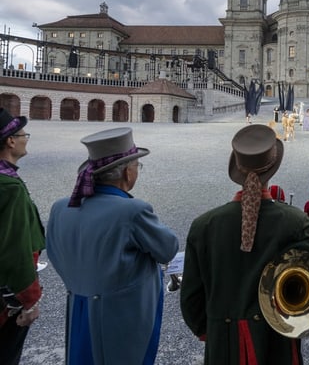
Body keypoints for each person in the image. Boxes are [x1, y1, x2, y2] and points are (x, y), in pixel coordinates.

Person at [180, 124, 309, 364]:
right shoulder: (296, 222)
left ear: (237, 168)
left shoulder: (204, 225)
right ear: (272, 168)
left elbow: (190, 300)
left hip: (224, 344)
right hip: (278, 341)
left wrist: (214, 329)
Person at [46, 127, 179, 365]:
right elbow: (167, 248)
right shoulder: (131, 211)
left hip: (79, 305)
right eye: (137, 166)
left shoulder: (60, 207)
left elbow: (55, 254)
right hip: (120, 312)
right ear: (126, 173)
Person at [0, 108, 45, 365]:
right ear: (10, 141)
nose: (26, 138)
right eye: (23, 134)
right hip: (7, 300)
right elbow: (17, 252)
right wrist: (29, 302)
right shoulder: (11, 188)